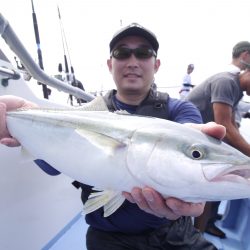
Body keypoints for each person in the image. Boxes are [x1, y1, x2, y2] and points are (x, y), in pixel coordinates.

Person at [0, 23, 225, 250]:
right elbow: (52, 167)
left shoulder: (180, 110)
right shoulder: (85, 114)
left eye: (143, 53)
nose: (133, 62)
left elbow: (188, 136)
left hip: (173, 232)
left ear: (156, 64)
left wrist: (196, 159)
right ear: (110, 64)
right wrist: (24, 127)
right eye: (122, 53)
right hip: (109, 237)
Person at [186, 40, 250, 239]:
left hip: (201, 142)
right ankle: (196, 235)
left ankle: (202, 229)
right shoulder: (226, 81)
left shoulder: (236, 89)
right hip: (187, 143)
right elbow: (225, 127)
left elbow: (231, 125)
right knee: (209, 189)